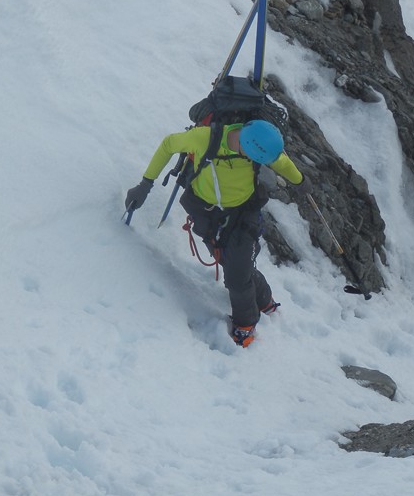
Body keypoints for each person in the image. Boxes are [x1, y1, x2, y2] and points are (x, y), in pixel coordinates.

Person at [125, 119, 310, 348]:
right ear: (247, 146)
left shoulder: (256, 146)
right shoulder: (205, 138)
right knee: (229, 262)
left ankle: (245, 325)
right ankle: (264, 299)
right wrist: (145, 184)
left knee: (236, 274)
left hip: (244, 212)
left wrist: (300, 181)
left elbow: (279, 161)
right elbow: (168, 145)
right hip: (207, 215)